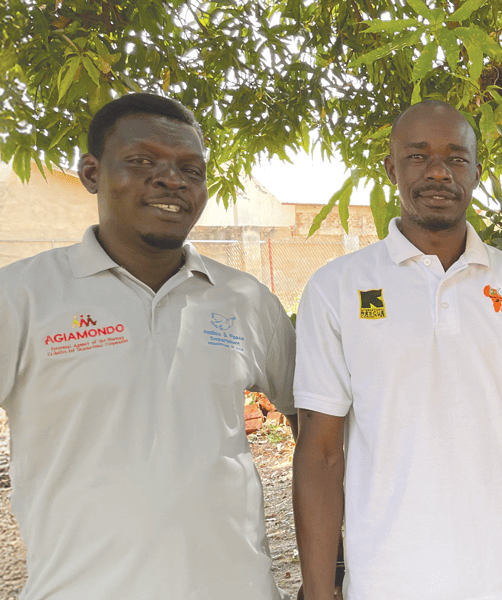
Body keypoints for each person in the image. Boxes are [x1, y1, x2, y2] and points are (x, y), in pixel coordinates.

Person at [0, 93, 296, 599]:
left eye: (190, 168)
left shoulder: (245, 300)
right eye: (141, 162)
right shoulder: (22, 297)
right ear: (91, 173)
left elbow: (313, 423)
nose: (171, 180)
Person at [292, 100, 502, 600]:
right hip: (388, 581)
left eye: (456, 157)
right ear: (391, 168)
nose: (438, 172)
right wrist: (319, 589)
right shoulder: (337, 287)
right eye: (418, 156)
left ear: (477, 170)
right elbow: (320, 455)